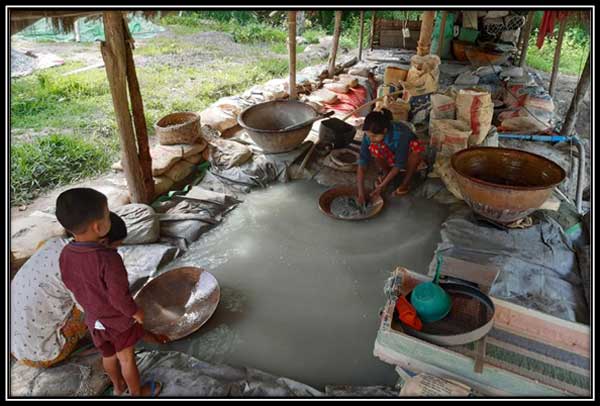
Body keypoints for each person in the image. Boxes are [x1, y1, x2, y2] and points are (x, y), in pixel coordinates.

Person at [56, 188, 163, 397]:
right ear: (98, 227)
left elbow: (69, 283)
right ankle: (137, 393)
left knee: (108, 355)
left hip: (94, 320)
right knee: (126, 358)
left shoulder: (66, 252)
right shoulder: (109, 259)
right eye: (107, 215)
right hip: (117, 322)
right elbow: (118, 298)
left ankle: (118, 387)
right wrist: (135, 312)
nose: (109, 218)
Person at [356, 108, 426, 205]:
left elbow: (399, 164)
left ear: (385, 131)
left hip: (407, 153)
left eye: (374, 136)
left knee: (416, 149)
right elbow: (362, 162)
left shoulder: (401, 135)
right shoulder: (369, 136)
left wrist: (380, 187)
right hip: (391, 153)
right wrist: (360, 193)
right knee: (374, 147)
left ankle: (405, 183)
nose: (371, 138)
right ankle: (387, 172)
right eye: (369, 136)